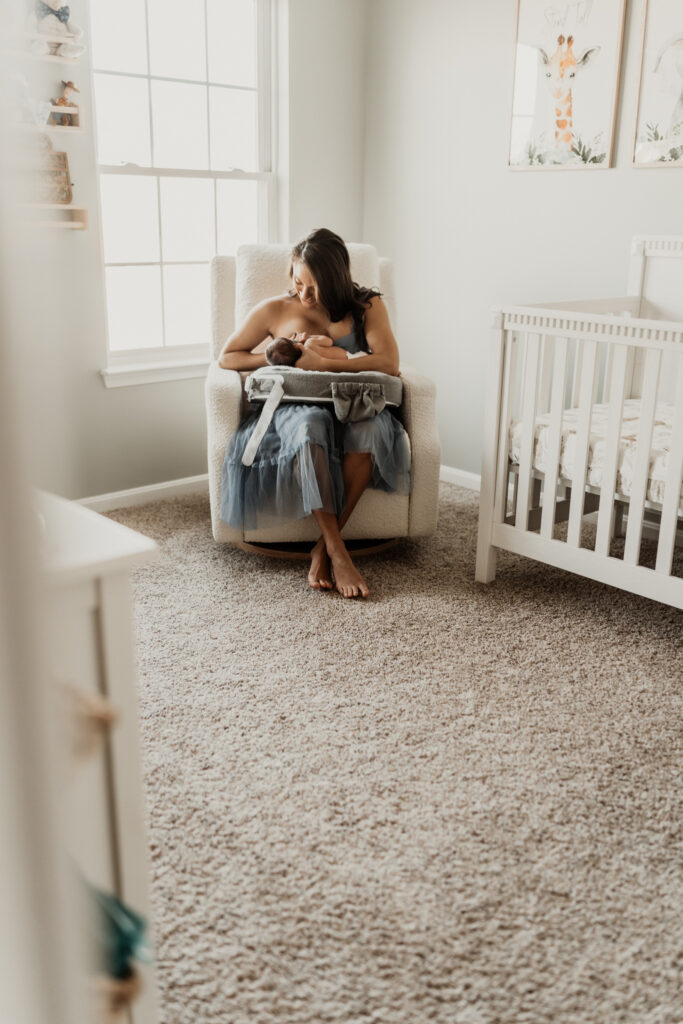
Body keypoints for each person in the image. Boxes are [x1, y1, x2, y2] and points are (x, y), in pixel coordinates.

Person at [218, 228, 411, 599]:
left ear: (336, 279)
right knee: (310, 427)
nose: (304, 295)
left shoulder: (367, 306)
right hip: (298, 407)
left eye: (314, 286)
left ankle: (321, 548)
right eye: (298, 282)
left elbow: (389, 362)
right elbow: (228, 356)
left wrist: (325, 363)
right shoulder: (275, 309)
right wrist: (280, 356)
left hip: (355, 402)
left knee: (372, 431)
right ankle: (337, 550)